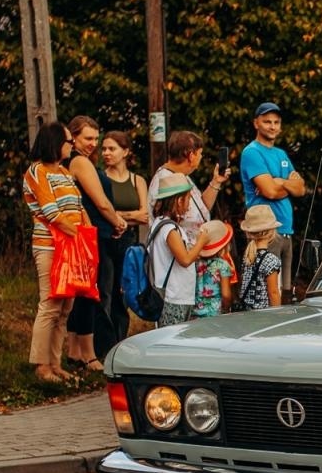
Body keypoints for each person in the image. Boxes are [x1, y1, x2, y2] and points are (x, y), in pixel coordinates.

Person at [63, 115, 130, 373]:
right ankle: (89, 354)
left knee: (83, 295)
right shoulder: (79, 161)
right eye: (87, 138)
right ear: (74, 136)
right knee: (93, 294)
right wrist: (118, 222)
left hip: (87, 233)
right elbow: (100, 200)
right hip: (93, 234)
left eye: (95, 139)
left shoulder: (78, 161)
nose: (93, 144)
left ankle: (75, 351)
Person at [24, 122, 86, 382]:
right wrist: (79, 234)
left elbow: (78, 207)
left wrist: (84, 235)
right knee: (50, 304)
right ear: (54, 142)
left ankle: (55, 362)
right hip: (50, 245)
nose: (72, 146)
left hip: (70, 246)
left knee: (64, 308)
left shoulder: (64, 172)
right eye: (69, 141)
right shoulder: (37, 171)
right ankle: (41, 366)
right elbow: (51, 212)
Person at [238, 101, 306, 293]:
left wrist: (279, 181)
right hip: (266, 231)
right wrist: (286, 184)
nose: (272, 126)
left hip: (286, 231)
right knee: (268, 291)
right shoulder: (252, 152)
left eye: (276, 122)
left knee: (285, 290)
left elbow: (301, 189)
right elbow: (270, 192)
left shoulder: (281, 153)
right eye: (267, 121)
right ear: (256, 123)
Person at [98, 130, 149, 344]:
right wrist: (129, 216)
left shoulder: (137, 180)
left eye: (112, 148)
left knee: (123, 292)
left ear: (125, 151)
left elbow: (144, 215)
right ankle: (103, 344)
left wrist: (117, 215)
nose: (106, 153)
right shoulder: (100, 178)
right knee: (105, 293)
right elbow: (100, 210)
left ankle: (120, 341)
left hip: (127, 242)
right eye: (104, 149)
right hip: (105, 240)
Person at [146, 173, 213, 326]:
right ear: (179, 200)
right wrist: (201, 241)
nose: (189, 205)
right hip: (174, 297)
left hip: (174, 295)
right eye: (188, 200)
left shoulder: (159, 223)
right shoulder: (169, 229)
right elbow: (185, 260)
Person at [148, 130, 227, 232]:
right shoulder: (165, 181)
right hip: (182, 247)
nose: (201, 157)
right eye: (200, 153)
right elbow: (167, 226)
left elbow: (202, 207)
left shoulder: (181, 175)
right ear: (191, 156)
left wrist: (216, 181)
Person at [236, 206, 284, 310]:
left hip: (246, 311)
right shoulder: (271, 260)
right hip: (262, 314)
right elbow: (273, 292)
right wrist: (278, 313)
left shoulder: (248, 256)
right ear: (271, 232)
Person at [192, 219, 235, 318]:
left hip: (195, 312)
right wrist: (227, 308)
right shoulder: (222, 265)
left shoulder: (195, 263)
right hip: (215, 313)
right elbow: (226, 295)